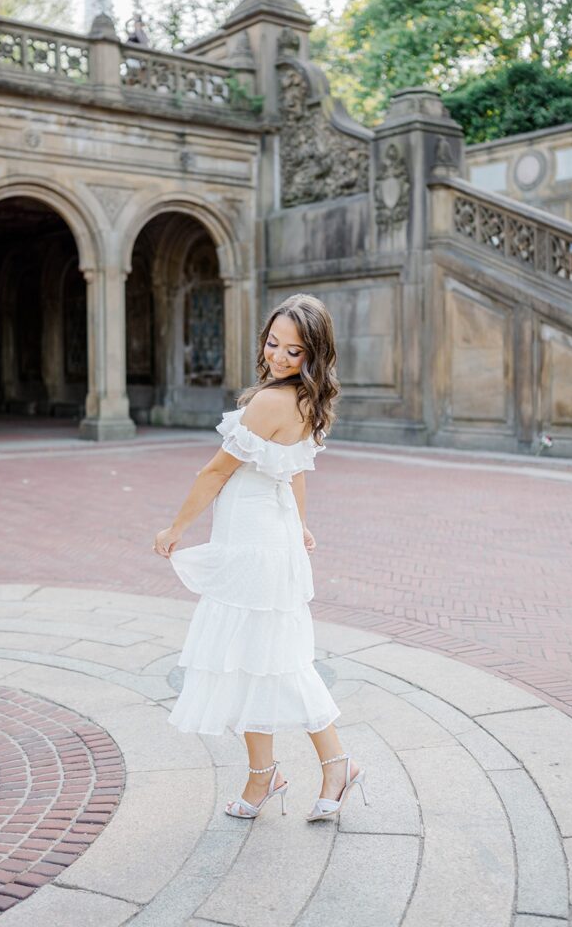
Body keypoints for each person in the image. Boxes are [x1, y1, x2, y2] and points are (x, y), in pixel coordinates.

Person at [153, 293, 369, 822]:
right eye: (273, 343)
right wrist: (301, 525)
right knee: (255, 660)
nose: (278, 356)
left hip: (253, 543)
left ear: (313, 355)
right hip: (266, 537)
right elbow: (293, 472)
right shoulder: (303, 400)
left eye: (294, 351)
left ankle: (334, 764)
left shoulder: (271, 402)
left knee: (272, 661)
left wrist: (176, 528)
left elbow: (215, 472)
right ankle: (266, 775)